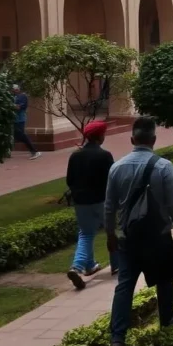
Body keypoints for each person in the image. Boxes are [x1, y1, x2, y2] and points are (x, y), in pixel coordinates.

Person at [105, 117, 173, 346]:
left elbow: (109, 207)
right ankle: (167, 322)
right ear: (154, 140)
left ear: (132, 139)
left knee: (125, 285)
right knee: (164, 278)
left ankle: (117, 339)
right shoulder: (163, 166)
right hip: (158, 235)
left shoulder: (116, 168)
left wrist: (110, 235)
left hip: (128, 237)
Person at [66, 120, 116, 289]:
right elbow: (112, 180)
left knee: (86, 234)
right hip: (102, 200)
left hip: (81, 202)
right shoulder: (105, 155)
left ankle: (82, 266)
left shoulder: (75, 155)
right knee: (112, 231)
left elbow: (69, 180)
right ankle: (116, 264)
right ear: (100, 136)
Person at [12, 84, 42, 160]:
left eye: (15, 89)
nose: (14, 90)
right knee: (16, 135)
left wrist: (11, 106)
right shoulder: (13, 97)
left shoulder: (22, 96)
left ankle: (34, 151)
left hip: (20, 119)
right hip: (14, 119)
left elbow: (19, 107)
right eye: (13, 89)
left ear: (18, 89)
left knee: (22, 135)